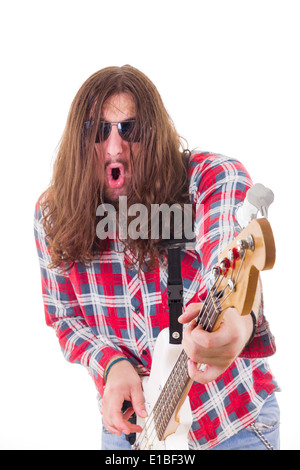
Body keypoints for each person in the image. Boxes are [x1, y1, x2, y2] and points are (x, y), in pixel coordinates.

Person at [34, 65, 280, 450]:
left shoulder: (208, 179)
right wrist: (113, 365)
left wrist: (236, 323)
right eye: (98, 131)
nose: (115, 148)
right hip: (132, 433)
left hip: (231, 425)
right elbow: (64, 316)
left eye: (129, 129)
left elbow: (225, 246)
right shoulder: (53, 214)